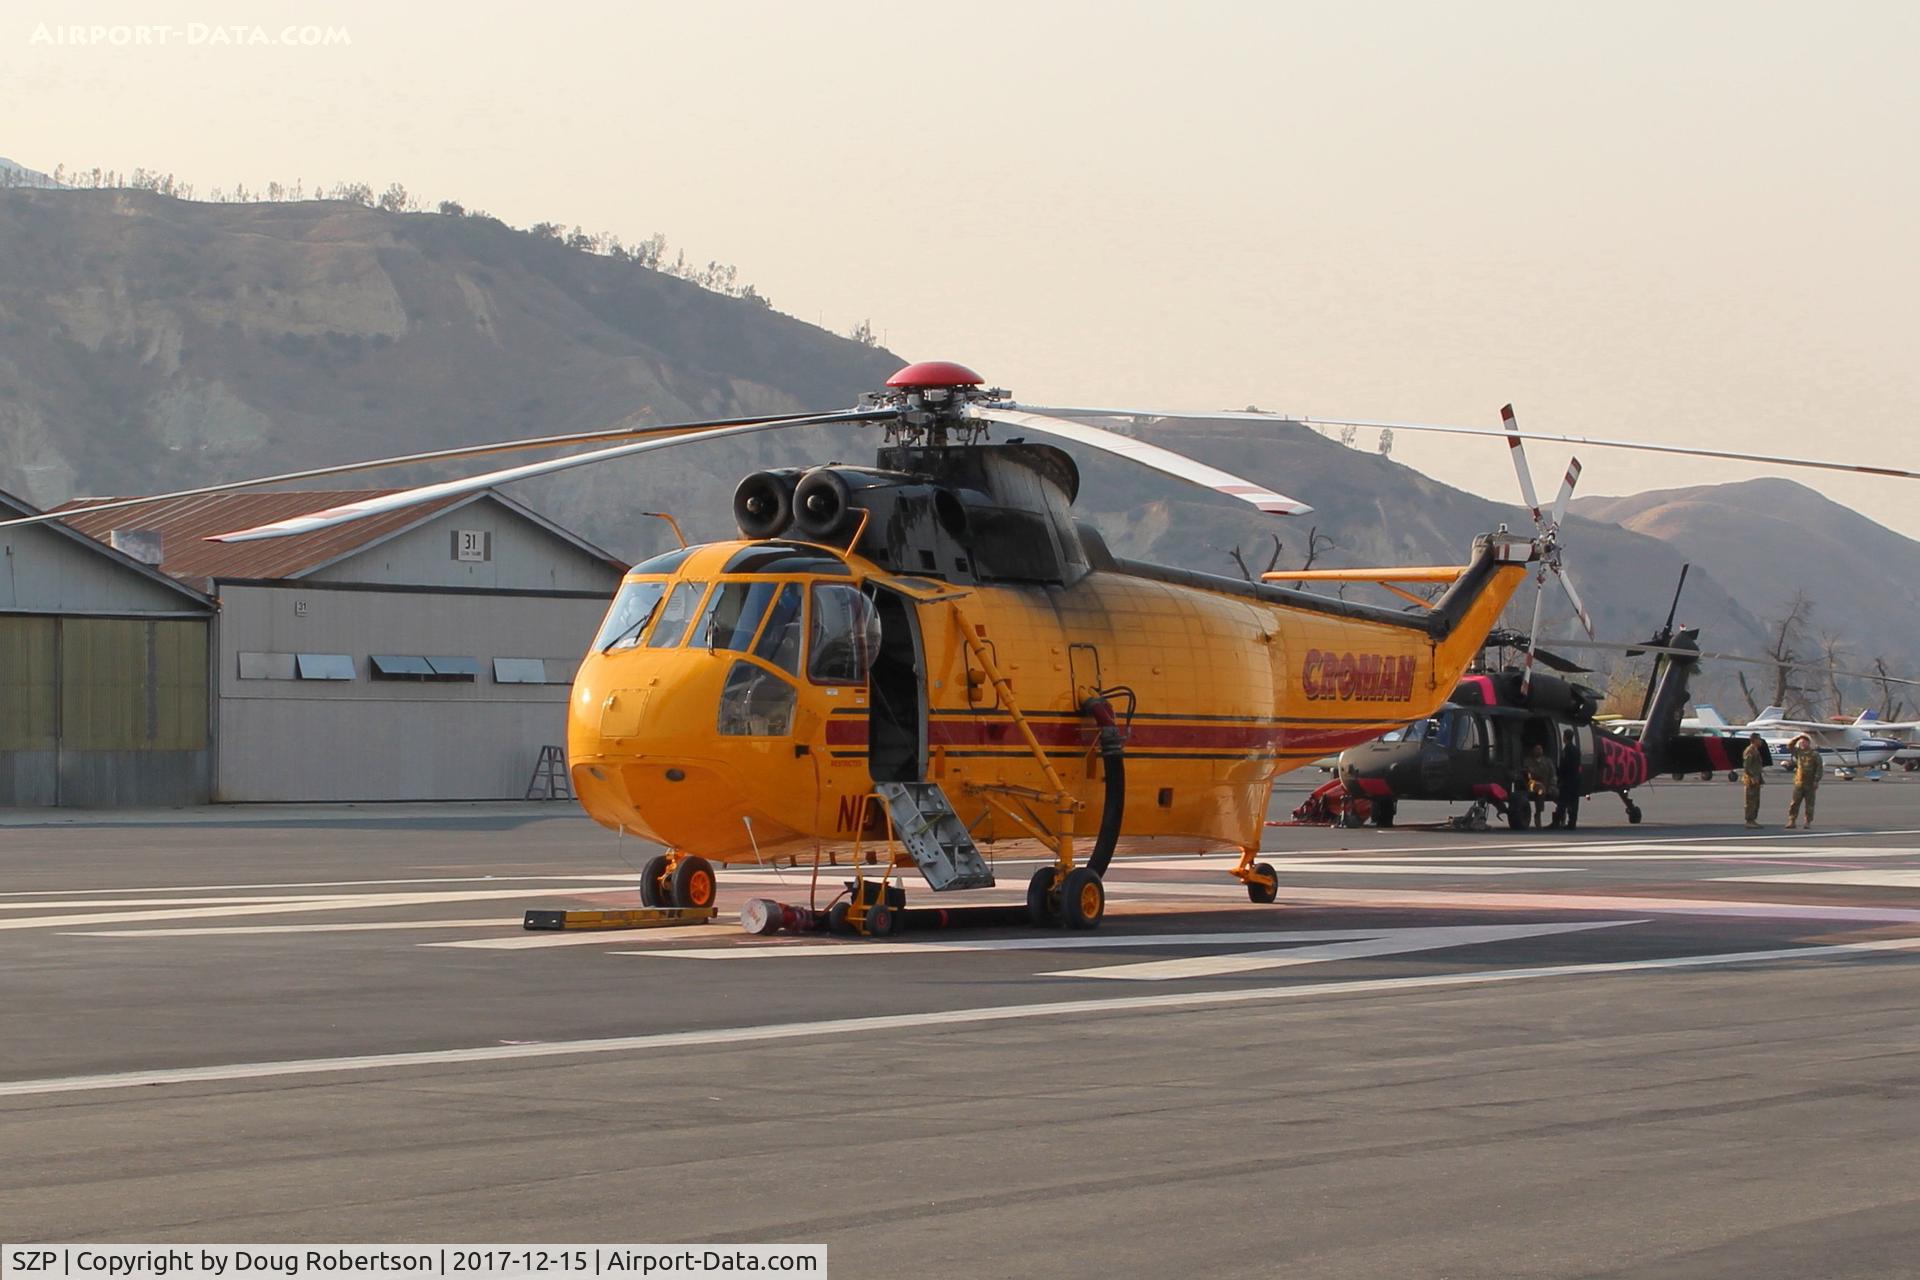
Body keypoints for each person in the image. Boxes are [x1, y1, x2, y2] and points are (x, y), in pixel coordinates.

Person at [1786, 734, 1823, 829]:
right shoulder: (1798, 752)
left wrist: (1816, 780)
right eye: (1800, 742)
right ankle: (1792, 820)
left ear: (1808, 743)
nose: (1801, 744)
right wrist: (1796, 738)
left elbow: (1819, 768)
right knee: (1794, 803)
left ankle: (1807, 822)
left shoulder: (1815, 754)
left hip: (1810, 783)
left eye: (1803, 742)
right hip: (1799, 782)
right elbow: (1789, 746)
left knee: (1809, 804)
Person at [1551, 730, 1582, 829]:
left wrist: (1558, 774)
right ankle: (1572, 822)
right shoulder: (1576, 750)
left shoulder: (1567, 750)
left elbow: (1564, 766)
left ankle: (1557, 822)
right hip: (1575, 779)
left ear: (1565, 737)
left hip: (1567, 780)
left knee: (1562, 802)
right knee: (1574, 803)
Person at [1523, 742, 1556, 827]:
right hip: (1533, 785)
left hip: (1547, 784)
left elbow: (1553, 775)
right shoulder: (1528, 761)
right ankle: (1538, 813)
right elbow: (1528, 774)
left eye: (1540, 749)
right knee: (1540, 791)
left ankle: (1559, 816)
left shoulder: (1548, 761)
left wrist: (1552, 785)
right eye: (1536, 749)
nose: (1538, 751)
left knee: (1558, 793)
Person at [1742, 732, 1768, 828]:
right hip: (1751, 780)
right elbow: (1746, 766)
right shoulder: (1750, 751)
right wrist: (1752, 777)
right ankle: (1749, 820)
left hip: (1756, 779)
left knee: (1756, 801)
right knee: (1750, 800)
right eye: (1759, 739)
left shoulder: (1755, 750)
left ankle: (1753, 819)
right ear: (1754, 740)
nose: (1760, 741)